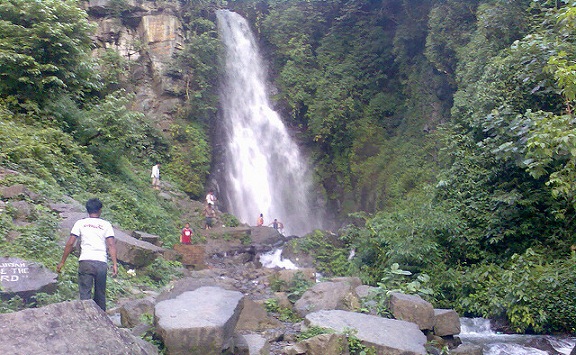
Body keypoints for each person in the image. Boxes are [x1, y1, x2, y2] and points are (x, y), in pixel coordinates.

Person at [57, 198, 118, 311]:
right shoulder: (106, 225)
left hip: (85, 261)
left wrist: (62, 262)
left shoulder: (81, 223)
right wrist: (115, 264)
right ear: (100, 210)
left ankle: (85, 319)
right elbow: (111, 245)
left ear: (87, 210)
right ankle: (101, 322)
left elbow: (70, 243)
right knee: (100, 294)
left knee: (85, 294)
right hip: (101, 262)